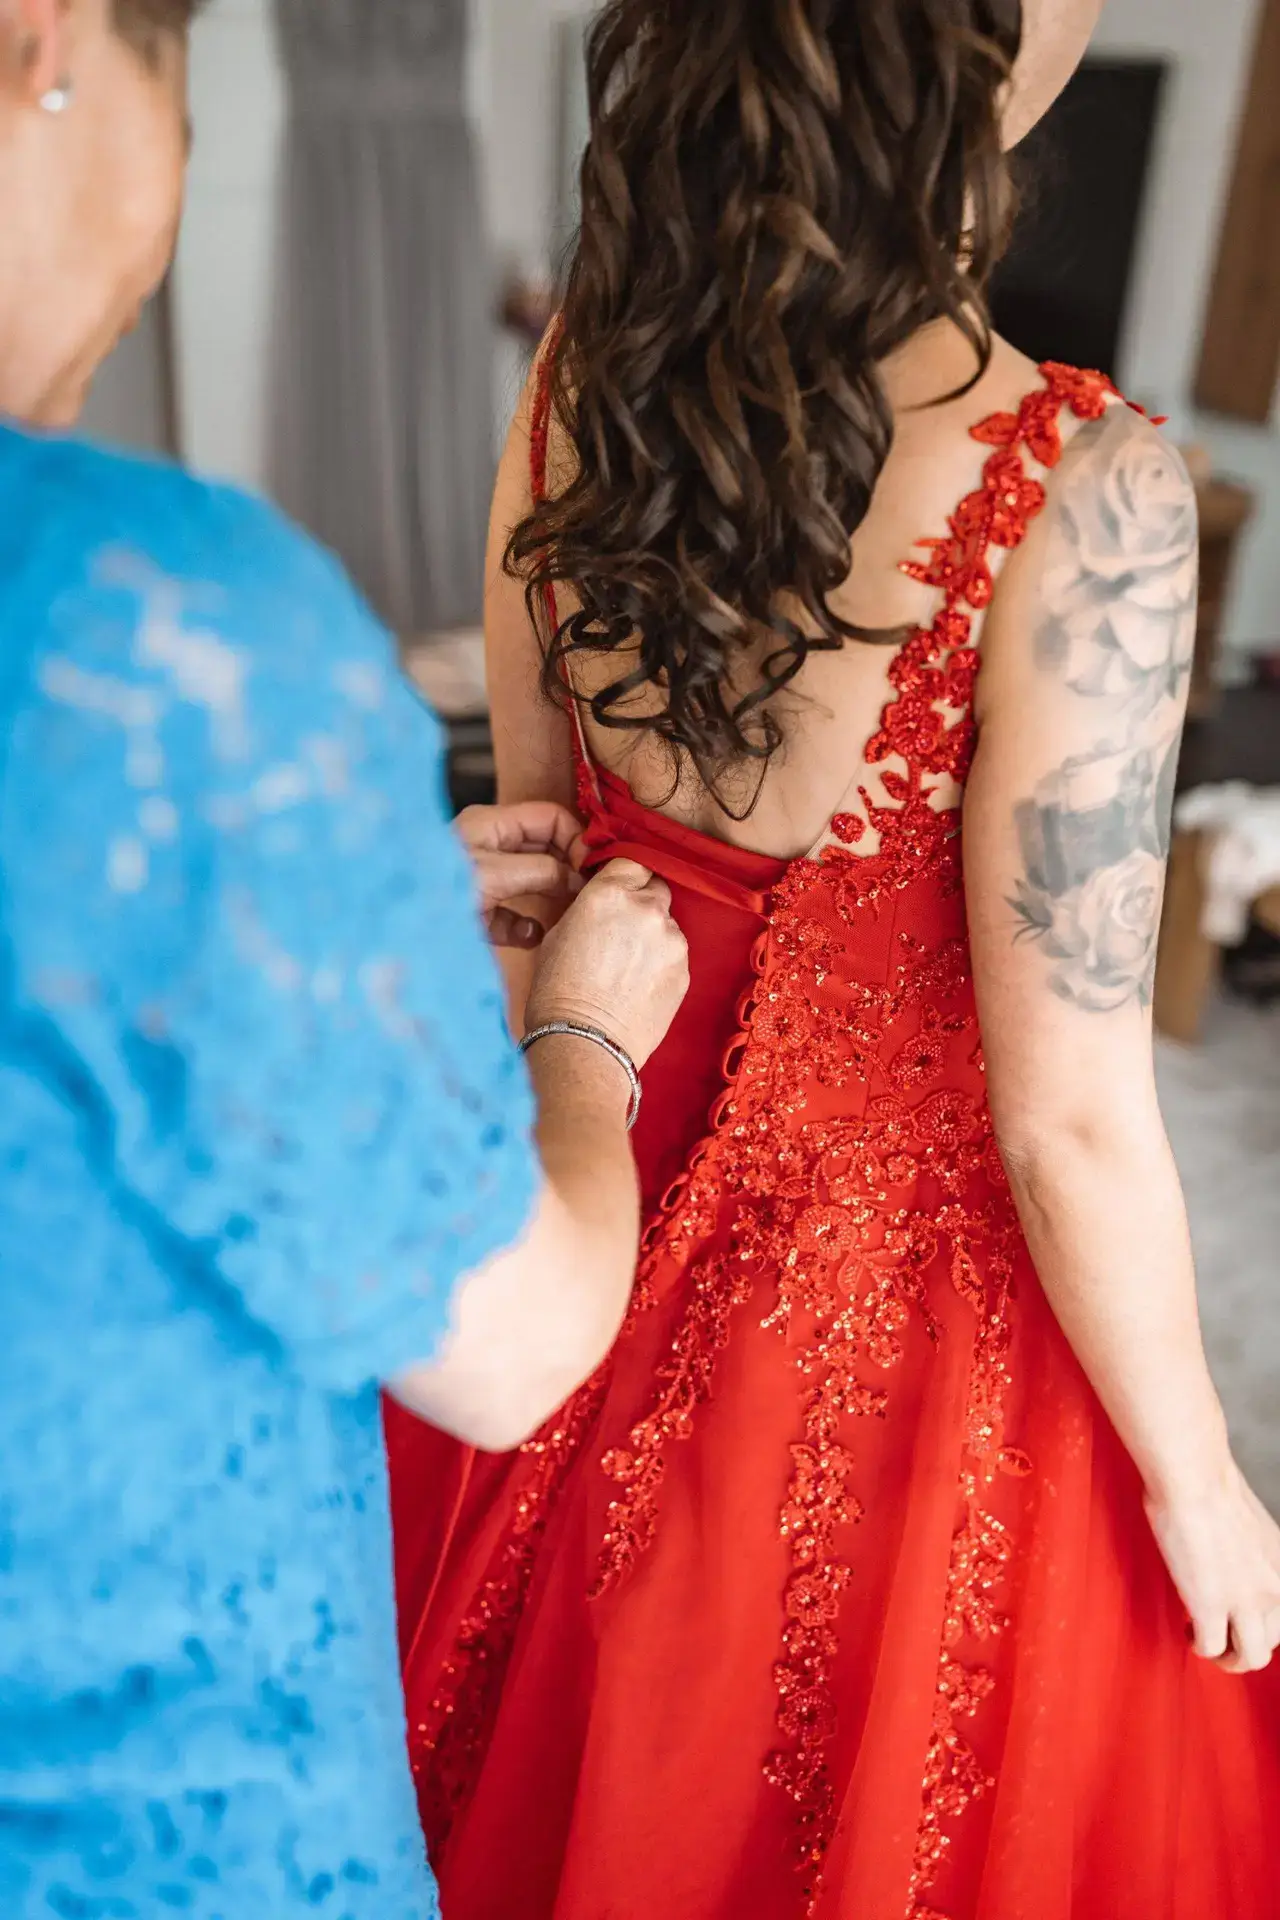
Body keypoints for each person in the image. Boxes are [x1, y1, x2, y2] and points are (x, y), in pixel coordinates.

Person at [389, 1, 1280, 1915]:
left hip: (578, 1154)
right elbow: (1070, 1120)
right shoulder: (1084, 490)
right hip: (882, 1323)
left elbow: (538, 861)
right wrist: (1202, 1472)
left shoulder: (582, 370)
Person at [0, 1, 688, 1915]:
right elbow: (510, 1350)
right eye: (181, 84)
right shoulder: (158, 629)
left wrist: (332, 914)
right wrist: (582, 1046)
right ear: (49, 42)